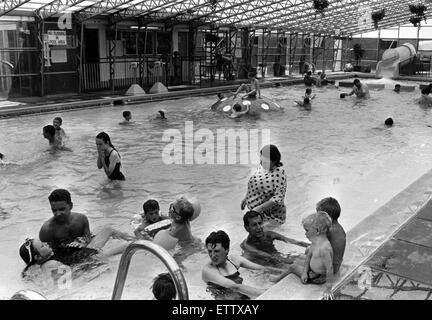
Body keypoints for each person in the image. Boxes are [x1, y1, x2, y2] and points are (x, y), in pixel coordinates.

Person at [202, 230, 283, 299]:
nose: (212, 255)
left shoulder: (234, 260)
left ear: (226, 250)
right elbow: (235, 286)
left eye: (216, 251)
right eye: (209, 251)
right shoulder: (208, 271)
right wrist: (268, 293)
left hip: (243, 296)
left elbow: (262, 268)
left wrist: (285, 272)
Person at [271, 212, 335, 300]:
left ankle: (277, 279)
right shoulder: (315, 243)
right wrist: (304, 272)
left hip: (318, 277)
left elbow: (330, 269)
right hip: (312, 270)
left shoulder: (325, 249)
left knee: (292, 267)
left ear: (317, 231)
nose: (305, 234)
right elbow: (308, 257)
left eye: (307, 231)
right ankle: (302, 271)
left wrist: (328, 289)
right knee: (301, 256)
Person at [241, 144, 287, 225]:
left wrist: (258, 209)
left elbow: (278, 197)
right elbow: (254, 184)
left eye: (265, 162)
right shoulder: (262, 167)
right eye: (261, 160)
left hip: (271, 217)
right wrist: (246, 198)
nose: (261, 163)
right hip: (257, 214)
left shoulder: (279, 172)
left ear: (275, 160)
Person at [241, 210, 309, 263]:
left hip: (278, 258)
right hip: (266, 265)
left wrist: (312, 245)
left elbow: (292, 241)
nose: (259, 227)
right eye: (254, 225)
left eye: (260, 223)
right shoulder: (246, 245)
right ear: (247, 228)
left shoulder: (269, 235)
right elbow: (266, 255)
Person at [316, 197, 346, 274]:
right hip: (336, 266)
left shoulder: (329, 230)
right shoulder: (340, 228)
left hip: (328, 269)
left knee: (294, 265)